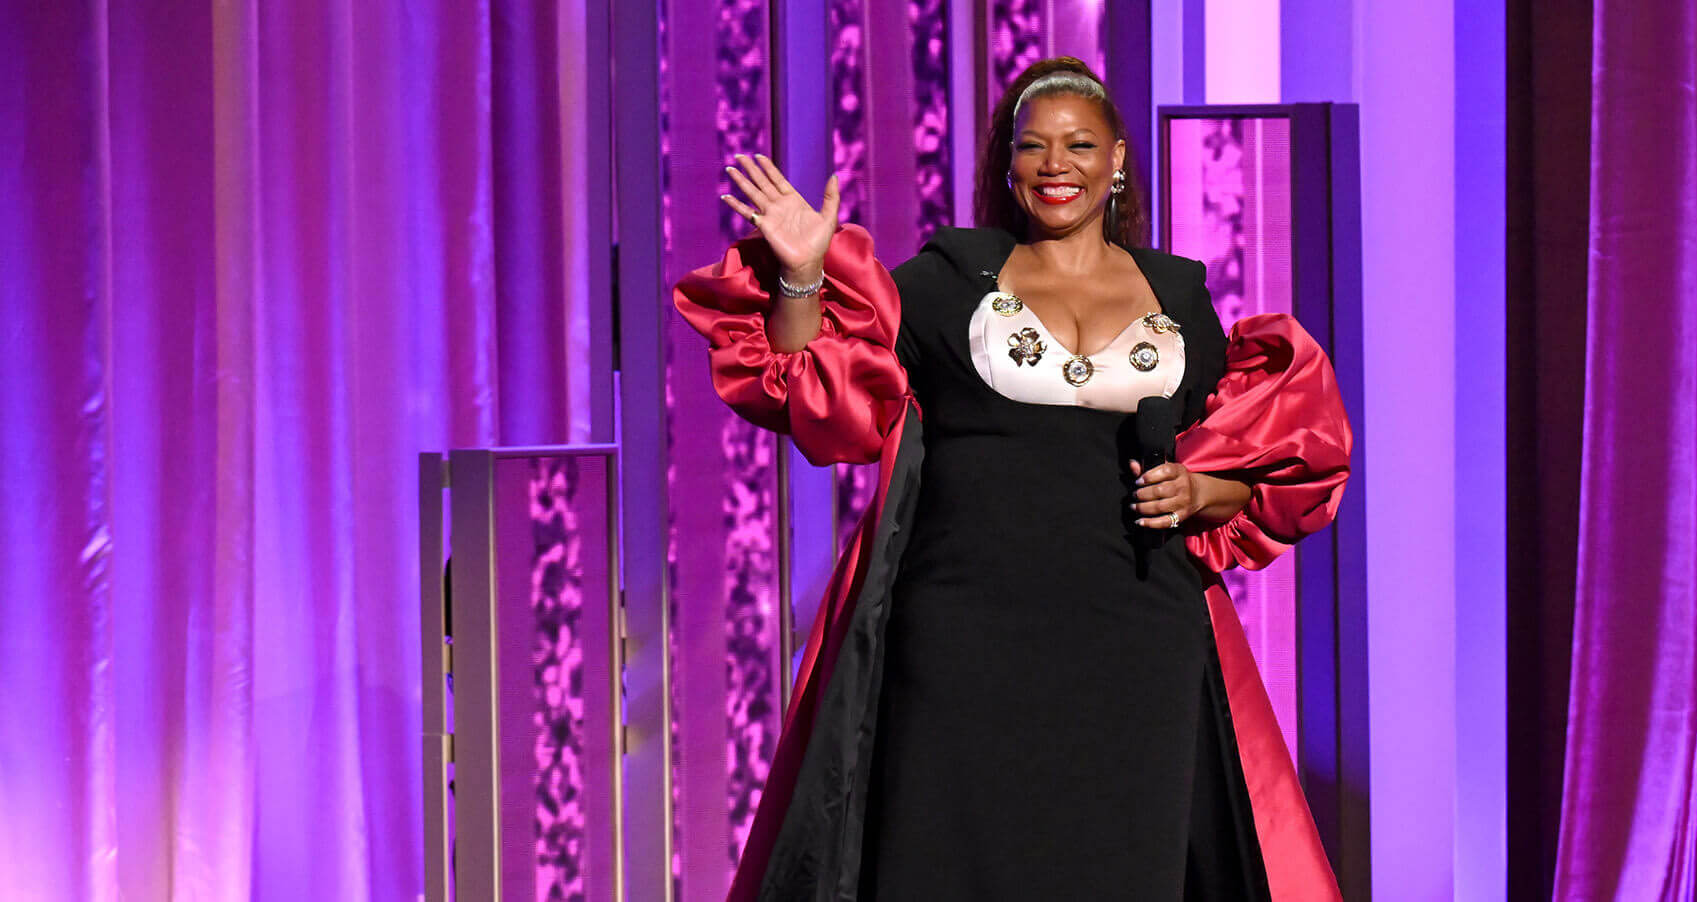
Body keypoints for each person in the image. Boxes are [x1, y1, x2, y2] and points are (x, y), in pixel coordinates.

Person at [675, 57, 1351, 901]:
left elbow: (1260, 473)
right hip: (965, 633)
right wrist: (802, 274)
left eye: (1077, 145)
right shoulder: (943, 282)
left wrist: (1201, 493)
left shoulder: (1181, 297)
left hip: (1138, 635)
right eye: (1032, 147)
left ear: (1116, 164)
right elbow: (813, 395)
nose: (1054, 164)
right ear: (1007, 167)